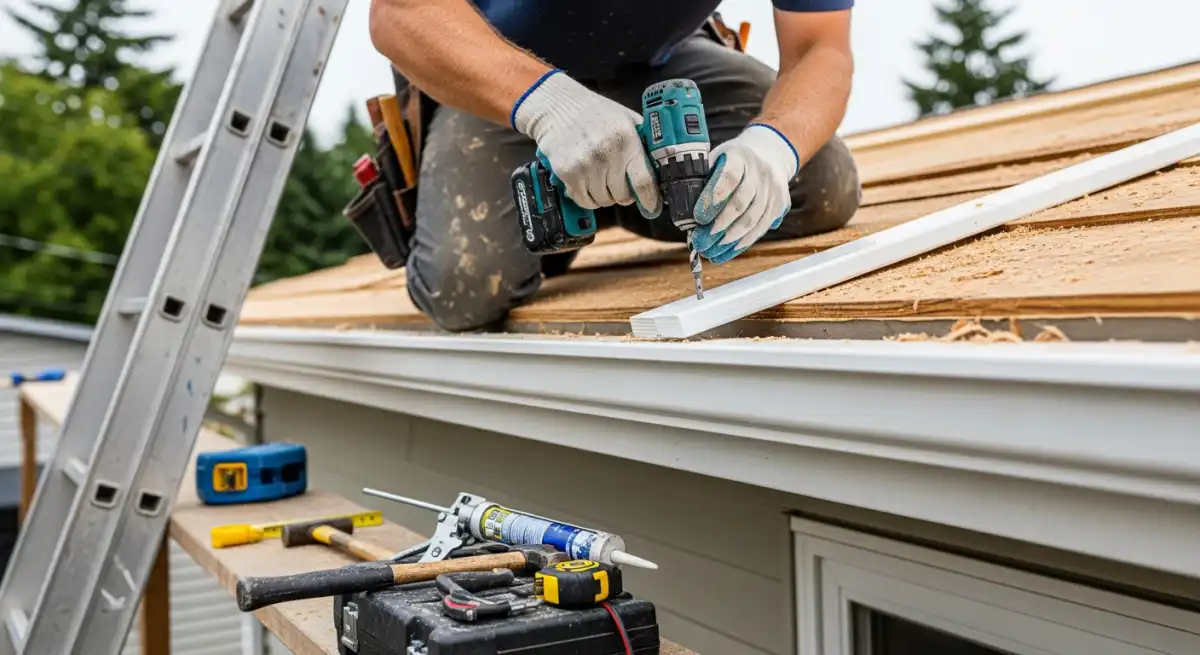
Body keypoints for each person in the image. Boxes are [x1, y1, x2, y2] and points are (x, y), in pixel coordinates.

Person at [369, 0, 860, 332]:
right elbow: (398, 12)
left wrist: (773, 147)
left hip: (660, 63)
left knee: (821, 185)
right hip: (500, 79)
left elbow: (820, 46)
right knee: (464, 286)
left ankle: (601, 192)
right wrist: (551, 108)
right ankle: (570, 195)